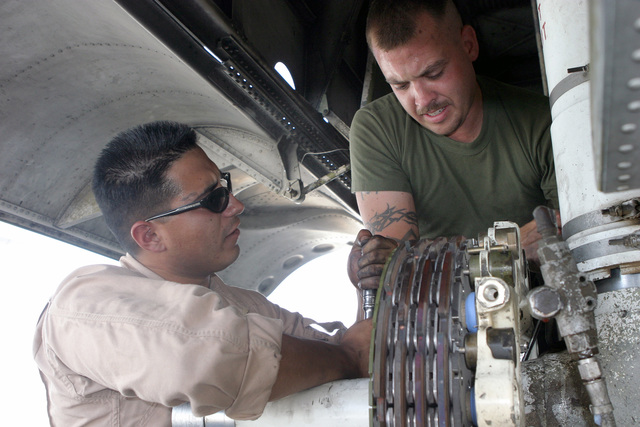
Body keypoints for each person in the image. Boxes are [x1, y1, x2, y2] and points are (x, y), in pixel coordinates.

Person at [33, 121, 396, 426]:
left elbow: (349, 357)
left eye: (224, 188)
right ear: (150, 235)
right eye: (212, 200)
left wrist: (369, 288)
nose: (236, 205)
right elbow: (209, 357)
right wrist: (347, 357)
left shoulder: (244, 305)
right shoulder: (83, 306)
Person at [349, 0, 559, 255]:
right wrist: (512, 246)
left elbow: (576, 229)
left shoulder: (543, 120)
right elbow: (398, 268)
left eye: (434, 73)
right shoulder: (377, 129)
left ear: (468, 44)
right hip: (438, 297)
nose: (423, 100)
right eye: (401, 86)